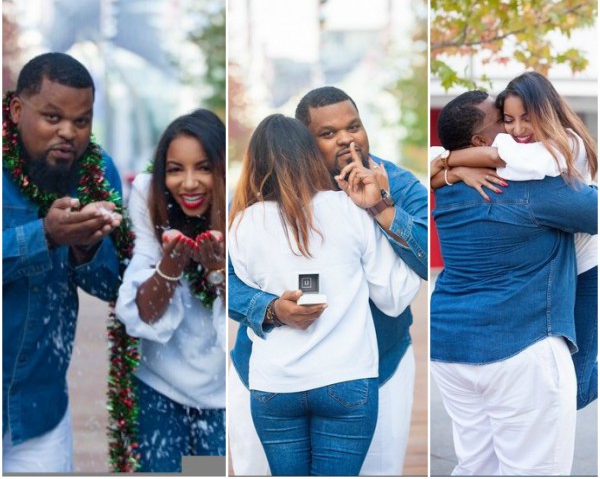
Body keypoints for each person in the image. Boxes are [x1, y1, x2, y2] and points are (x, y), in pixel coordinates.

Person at [228, 87, 428, 476]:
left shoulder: (397, 185)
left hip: (378, 365)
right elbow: (231, 281)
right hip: (270, 372)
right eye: (328, 133)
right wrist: (270, 308)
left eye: (354, 126)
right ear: (305, 141)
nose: (346, 139)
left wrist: (382, 208)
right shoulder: (258, 205)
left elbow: (433, 257)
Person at [430, 89, 598, 476]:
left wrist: (451, 164)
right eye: (503, 122)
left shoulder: (447, 186)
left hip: (451, 347)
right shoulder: (532, 187)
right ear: (481, 143)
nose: (519, 131)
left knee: (477, 467)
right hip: (521, 346)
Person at [3, 52, 124, 472]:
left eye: (81, 121)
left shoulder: (97, 171)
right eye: (52, 118)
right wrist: (45, 236)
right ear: (17, 109)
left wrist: (86, 247)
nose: (68, 133)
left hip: (40, 411)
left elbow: (113, 287)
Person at [116, 110, 226, 473]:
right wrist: (169, 268)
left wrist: (217, 272)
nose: (189, 183)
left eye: (204, 167)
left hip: (223, 392)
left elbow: (251, 316)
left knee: (206, 473)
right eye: (176, 169)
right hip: (159, 385)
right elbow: (143, 313)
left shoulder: (240, 206)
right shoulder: (149, 194)